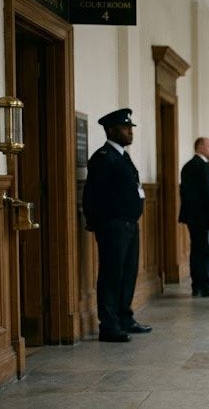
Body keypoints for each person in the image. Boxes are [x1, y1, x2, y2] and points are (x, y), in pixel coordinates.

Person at [83, 108, 153, 343]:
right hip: (113, 226)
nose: (130, 132)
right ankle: (109, 325)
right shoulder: (103, 157)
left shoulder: (122, 156)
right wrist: (100, 223)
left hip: (129, 225)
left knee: (128, 274)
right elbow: (94, 194)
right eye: (125, 128)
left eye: (130, 128)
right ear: (112, 131)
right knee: (112, 275)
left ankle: (125, 317)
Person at [179, 137, 209, 298]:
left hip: (192, 218)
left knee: (196, 251)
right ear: (199, 147)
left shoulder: (187, 166)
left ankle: (197, 286)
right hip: (206, 218)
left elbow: (185, 194)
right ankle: (208, 287)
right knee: (207, 252)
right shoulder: (204, 167)